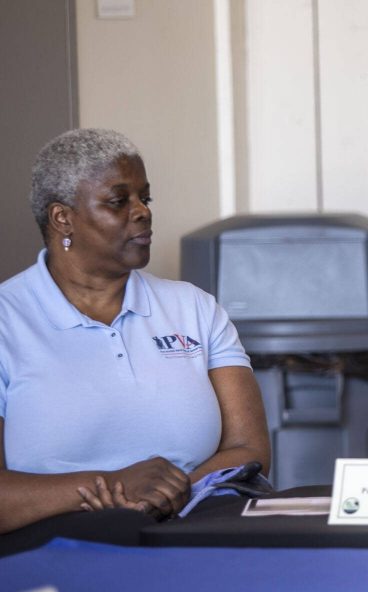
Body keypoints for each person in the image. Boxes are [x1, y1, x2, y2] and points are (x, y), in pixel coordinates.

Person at [0, 128, 270, 552]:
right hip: (55, 537)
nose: (142, 212)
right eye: (118, 200)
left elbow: (248, 448)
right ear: (62, 218)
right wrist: (113, 487)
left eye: (146, 198)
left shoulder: (194, 308)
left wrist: (170, 492)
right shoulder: (7, 321)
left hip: (196, 515)